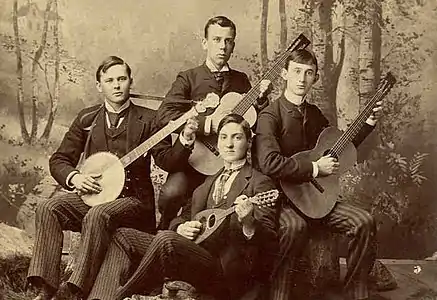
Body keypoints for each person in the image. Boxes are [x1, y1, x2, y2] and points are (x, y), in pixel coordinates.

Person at [27, 56, 197, 300]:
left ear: (130, 81)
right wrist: (75, 178)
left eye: (121, 79)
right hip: (95, 195)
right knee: (47, 207)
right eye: (109, 80)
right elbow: (59, 160)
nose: (116, 85)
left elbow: (167, 160)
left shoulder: (149, 119)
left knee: (98, 215)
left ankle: (75, 290)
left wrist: (186, 139)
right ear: (99, 86)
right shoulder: (87, 119)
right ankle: (46, 288)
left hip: (134, 201)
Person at [86, 114, 278, 300]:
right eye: (224, 137)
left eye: (237, 138)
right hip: (194, 254)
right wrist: (180, 227)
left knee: (166, 239)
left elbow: (269, 240)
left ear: (248, 143)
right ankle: (99, 297)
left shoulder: (259, 183)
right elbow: (183, 216)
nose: (229, 144)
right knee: (123, 236)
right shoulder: (207, 181)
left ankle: (118, 296)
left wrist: (248, 223)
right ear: (218, 143)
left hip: (226, 269)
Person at [254, 49, 381, 300]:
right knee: (293, 227)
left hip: (318, 199)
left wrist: (367, 124)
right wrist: (314, 169)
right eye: (297, 72)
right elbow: (268, 162)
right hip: (284, 200)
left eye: (309, 73)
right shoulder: (270, 115)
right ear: (284, 74)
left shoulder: (314, 115)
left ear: (315, 78)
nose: (302, 79)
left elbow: (339, 146)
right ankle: (279, 296)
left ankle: (356, 293)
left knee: (364, 221)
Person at [156, 15, 271, 230]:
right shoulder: (188, 78)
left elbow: (252, 122)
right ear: (204, 42)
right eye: (217, 40)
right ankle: (164, 232)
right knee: (171, 194)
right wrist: (207, 124)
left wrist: (262, 101)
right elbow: (164, 114)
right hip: (193, 159)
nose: (223, 46)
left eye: (228, 41)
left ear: (233, 45)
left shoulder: (241, 80)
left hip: (227, 164)